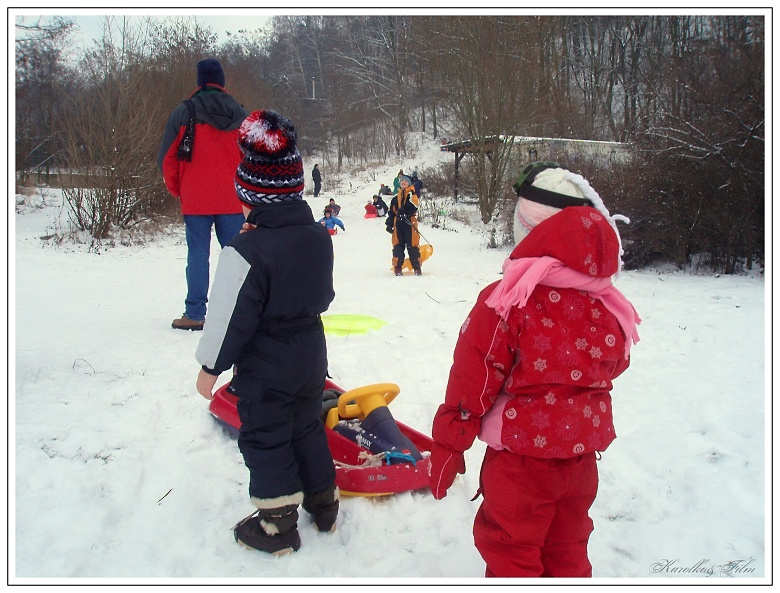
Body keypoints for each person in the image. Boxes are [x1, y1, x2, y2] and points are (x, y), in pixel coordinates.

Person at [428, 163, 641, 578]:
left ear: (528, 230)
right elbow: (616, 362)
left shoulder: (508, 299)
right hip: (581, 462)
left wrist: (450, 444)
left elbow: (474, 378)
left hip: (521, 463)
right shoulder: (605, 301)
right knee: (568, 548)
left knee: (512, 550)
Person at [195, 110, 339, 555]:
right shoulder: (319, 236)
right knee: (307, 425)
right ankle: (324, 501)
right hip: (311, 352)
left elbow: (227, 316)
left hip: (265, 364)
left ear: (250, 198)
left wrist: (209, 368)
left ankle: (277, 524)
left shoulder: (245, 251)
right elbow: (325, 294)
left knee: (266, 434)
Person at [158, 58, 248, 331]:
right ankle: (239, 311)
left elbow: (168, 158)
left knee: (197, 255)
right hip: (232, 198)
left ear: (199, 80)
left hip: (195, 198)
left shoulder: (184, 112)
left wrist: (178, 189)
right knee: (236, 256)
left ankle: (195, 313)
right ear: (222, 81)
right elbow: (251, 158)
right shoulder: (240, 113)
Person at [385, 175, 422, 275]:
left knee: (412, 246)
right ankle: (397, 268)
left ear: (409, 183)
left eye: (405, 181)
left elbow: (414, 206)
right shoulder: (395, 198)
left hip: (409, 223)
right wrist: (389, 224)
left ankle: (417, 268)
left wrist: (404, 212)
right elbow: (391, 212)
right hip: (398, 224)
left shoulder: (412, 194)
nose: (403, 183)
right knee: (397, 246)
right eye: (401, 182)